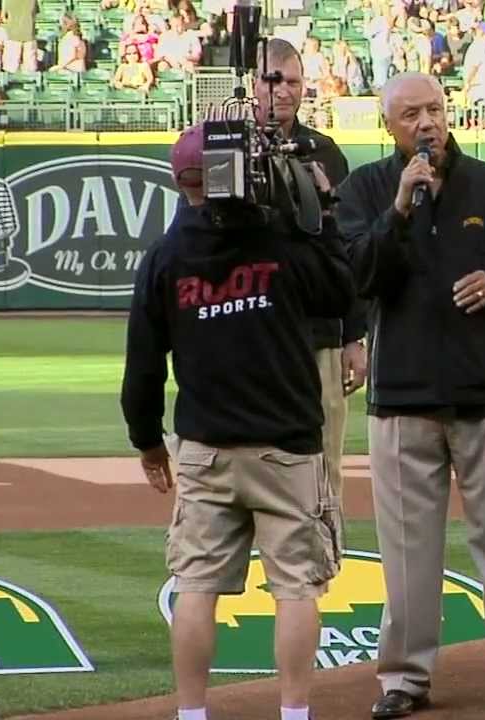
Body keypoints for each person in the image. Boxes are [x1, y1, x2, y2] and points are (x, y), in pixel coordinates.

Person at [336, 72, 485, 718]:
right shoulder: (366, 190)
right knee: (406, 552)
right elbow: (356, 275)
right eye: (410, 114)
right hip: (401, 398)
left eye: (434, 108)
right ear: (389, 127)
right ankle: (404, 678)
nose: (426, 122)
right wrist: (400, 209)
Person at [120, 125, 354, 720]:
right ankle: (295, 713)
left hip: (206, 446)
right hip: (287, 445)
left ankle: (192, 713)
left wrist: (148, 442)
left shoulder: (166, 257)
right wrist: (320, 211)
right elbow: (340, 292)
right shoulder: (281, 242)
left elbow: (142, 368)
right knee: (297, 588)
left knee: (196, 586)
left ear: (181, 184)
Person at [253, 38, 368, 513]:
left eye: (293, 82)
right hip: (249, 329)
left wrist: (355, 336)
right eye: (272, 81)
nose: (283, 92)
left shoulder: (323, 151)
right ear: (252, 84)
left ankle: (325, 567)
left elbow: (347, 248)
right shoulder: (224, 149)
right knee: (248, 464)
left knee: (325, 466)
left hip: (318, 333)